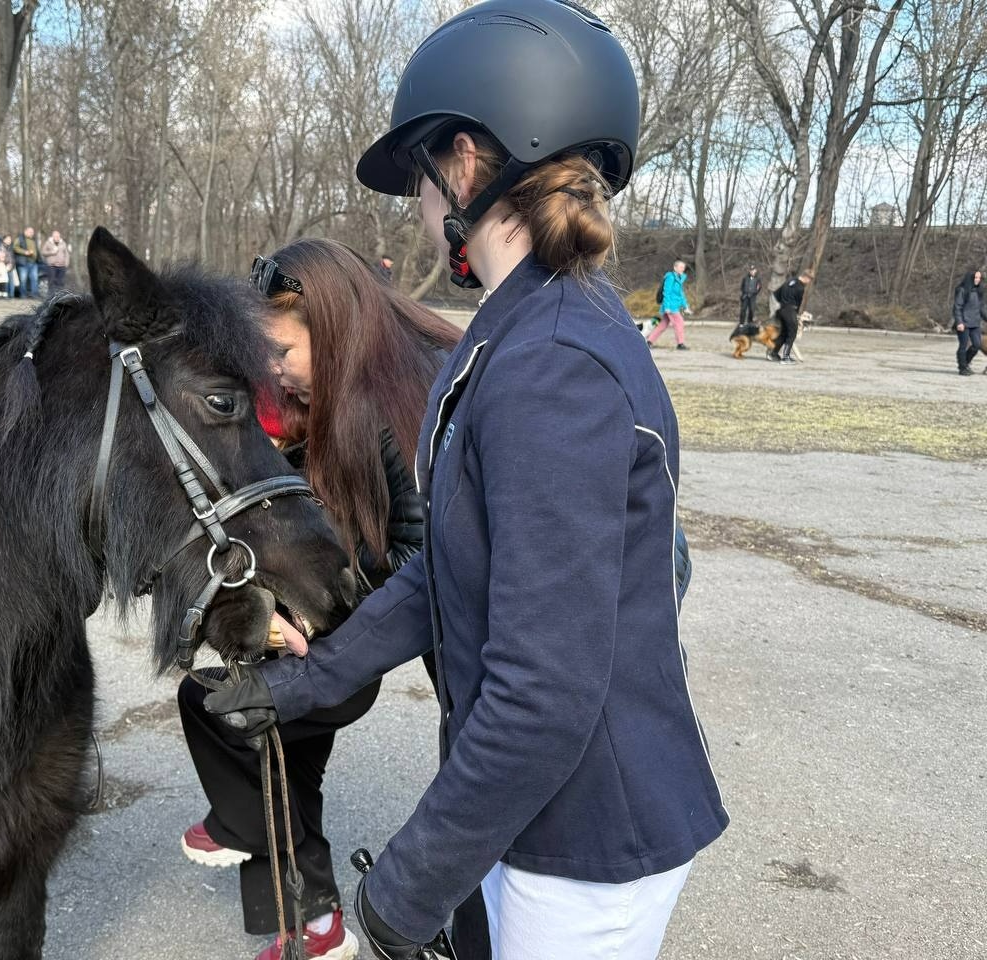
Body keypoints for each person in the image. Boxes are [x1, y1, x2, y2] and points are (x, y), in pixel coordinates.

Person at [203, 3, 727, 958]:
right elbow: (441, 574)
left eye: (420, 178)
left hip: (585, 838)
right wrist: (305, 683)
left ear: (467, 160)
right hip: (526, 815)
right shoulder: (510, 337)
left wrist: (406, 887)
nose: (419, 204)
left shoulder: (555, 365)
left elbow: (546, 692)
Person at [177, 239, 460, 960]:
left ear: (330, 324)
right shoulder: (336, 389)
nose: (271, 369)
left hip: (417, 625)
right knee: (281, 748)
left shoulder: (403, 401)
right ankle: (314, 926)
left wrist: (313, 613)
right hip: (366, 622)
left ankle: (251, 830)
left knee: (221, 703)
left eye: (280, 350)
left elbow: (425, 560)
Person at [647, 259, 690, 350]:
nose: (683, 269)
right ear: (675, 268)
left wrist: (685, 306)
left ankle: (649, 341)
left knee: (663, 324)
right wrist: (667, 307)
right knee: (679, 322)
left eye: (684, 267)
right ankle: (680, 344)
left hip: (675, 306)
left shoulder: (679, 279)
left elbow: (681, 294)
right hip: (670, 307)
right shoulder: (670, 277)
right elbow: (666, 293)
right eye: (681, 267)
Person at [772, 268, 813, 363]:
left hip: (781, 309)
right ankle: (785, 357)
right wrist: (797, 313)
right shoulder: (800, 287)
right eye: (810, 280)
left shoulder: (789, 281)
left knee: (784, 332)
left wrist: (781, 304)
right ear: (807, 278)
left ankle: (773, 353)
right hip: (790, 310)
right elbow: (798, 303)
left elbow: (776, 294)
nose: (809, 282)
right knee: (792, 333)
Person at [953, 270, 986, 376]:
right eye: (975, 278)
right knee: (963, 346)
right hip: (963, 323)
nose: (977, 280)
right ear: (970, 278)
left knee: (976, 345)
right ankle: (962, 368)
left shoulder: (979, 291)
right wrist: (959, 322)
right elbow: (957, 307)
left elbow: (981, 309)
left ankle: (964, 363)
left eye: (979, 278)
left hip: (975, 323)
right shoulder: (962, 290)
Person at [13, 227, 41, 297]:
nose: (32, 233)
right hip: (24, 263)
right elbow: (15, 248)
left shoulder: (34, 240)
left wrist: (39, 258)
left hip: (34, 263)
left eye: (32, 232)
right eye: (30, 232)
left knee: (34, 279)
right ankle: (23, 295)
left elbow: (37, 250)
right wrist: (25, 252)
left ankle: (34, 294)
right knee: (23, 280)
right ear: (25, 232)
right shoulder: (20, 239)